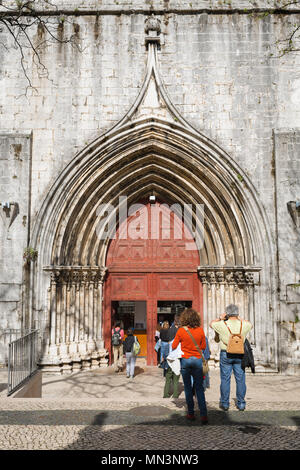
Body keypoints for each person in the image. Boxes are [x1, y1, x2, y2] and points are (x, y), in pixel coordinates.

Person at [210, 303, 253, 411]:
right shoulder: (244, 325)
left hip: (226, 354)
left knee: (225, 379)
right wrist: (238, 317)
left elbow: (211, 324)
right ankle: (241, 403)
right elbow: (250, 324)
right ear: (237, 313)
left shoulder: (221, 324)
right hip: (240, 354)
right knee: (241, 379)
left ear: (227, 314)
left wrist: (220, 318)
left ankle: (225, 403)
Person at [172, 308, 208, 424]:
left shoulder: (181, 331)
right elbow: (203, 346)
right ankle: (203, 415)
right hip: (197, 360)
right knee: (199, 388)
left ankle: (191, 413)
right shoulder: (201, 331)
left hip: (186, 360)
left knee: (188, 388)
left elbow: (174, 345)